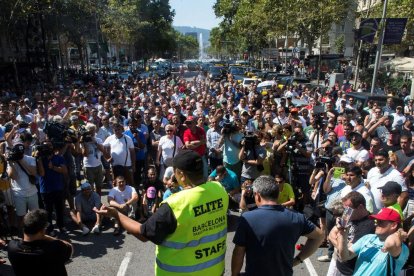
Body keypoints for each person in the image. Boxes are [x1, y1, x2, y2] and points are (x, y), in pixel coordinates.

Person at [96, 150, 229, 275]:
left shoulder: (174, 204)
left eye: (175, 172)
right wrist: (184, 186)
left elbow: (143, 233)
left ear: (181, 175)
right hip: (214, 270)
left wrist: (116, 214)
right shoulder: (219, 189)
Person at [231, 175, 324, 276]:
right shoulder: (297, 217)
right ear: (277, 195)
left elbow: (238, 253)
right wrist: (297, 260)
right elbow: (319, 236)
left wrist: (234, 274)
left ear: (257, 195)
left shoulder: (247, 219)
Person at [336, 207, 409, 275]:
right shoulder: (367, 238)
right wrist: (342, 234)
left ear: (393, 225)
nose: (376, 223)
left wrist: (398, 233)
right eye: (376, 221)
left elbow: (390, 244)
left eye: (380, 222)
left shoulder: (401, 248)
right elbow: (344, 257)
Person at [8, 209, 73, 276]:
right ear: (43, 230)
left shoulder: (12, 247)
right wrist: (45, 236)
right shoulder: (54, 248)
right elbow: (69, 247)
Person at [327, 191, 375, 276]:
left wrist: (339, 239)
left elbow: (347, 252)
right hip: (337, 263)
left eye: (348, 209)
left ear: (360, 207)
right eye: (345, 208)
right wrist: (341, 246)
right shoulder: (350, 216)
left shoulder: (368, 226)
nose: (345, 212)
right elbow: (331, 234)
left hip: (349, 271)